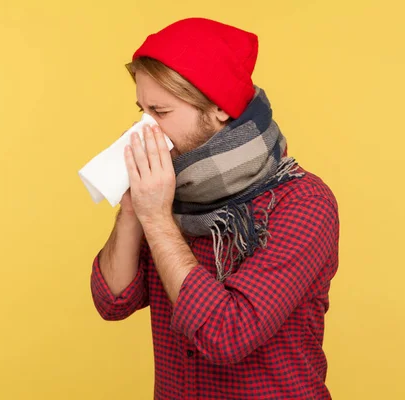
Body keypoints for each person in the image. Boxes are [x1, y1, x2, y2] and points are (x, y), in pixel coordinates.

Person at [90, 17, 339, 400]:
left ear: (219, 108)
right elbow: (113, 301)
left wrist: (157, 218)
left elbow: (226, 335)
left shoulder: (303, 202)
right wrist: (131, 207)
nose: (144, 130)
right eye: (141, 110)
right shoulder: (167, 191)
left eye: (160, 112)